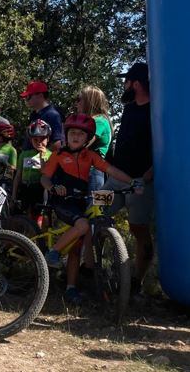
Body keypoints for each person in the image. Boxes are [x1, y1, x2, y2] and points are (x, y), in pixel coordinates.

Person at [40, 113, 140, 305]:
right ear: (66, 135)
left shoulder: (90, 156)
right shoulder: (58, 155)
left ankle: (70, 289)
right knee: (84, 225)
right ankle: (53, 252)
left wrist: (132, 182)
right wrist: (52, 187)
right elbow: (44, 178)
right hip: (62, 201)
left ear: (87, 138)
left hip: (80, 201)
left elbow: (110, 170)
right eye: (72, 133)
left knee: (77, 247)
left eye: (81, 134)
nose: (76, 137)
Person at [103, 62, 154, 296]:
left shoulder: (156, 110)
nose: (124, 85)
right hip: (115, 179)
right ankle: (88, 271)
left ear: (135, 83)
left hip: (141, 183)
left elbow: (164, 147)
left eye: (127, 81)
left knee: (138, 229)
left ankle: (136, 283)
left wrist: (147, 176)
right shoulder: (130, 108)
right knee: (92, 213)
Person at [13, 120, 52, 222]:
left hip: (39, 189)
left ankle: (37, 236)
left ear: (48, 139)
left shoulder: (50, 155)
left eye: (42, 139)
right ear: (31, 140)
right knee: (20, 215)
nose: (39, 142)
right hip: (25, 188)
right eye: (35, 140)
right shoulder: (24, 154)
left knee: (37, 216)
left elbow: (45, 172)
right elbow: (18, 175)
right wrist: (14, 194)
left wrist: (42, 155)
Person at [74, 86, 112, 191]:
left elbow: (83, 143)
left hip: (94, 171)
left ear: (89, 101)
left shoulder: (99, 121)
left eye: (79, 100)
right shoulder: (94, 120)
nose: (76, 103)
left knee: (94, 206)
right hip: (87, 170)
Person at [21, 81, 64, 151]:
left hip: (42, 160)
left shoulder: (52, 115)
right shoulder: (34, 115)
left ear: (40, 96)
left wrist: (40, 156)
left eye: (28, 96)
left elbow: (57, 144)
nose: (26, 100)